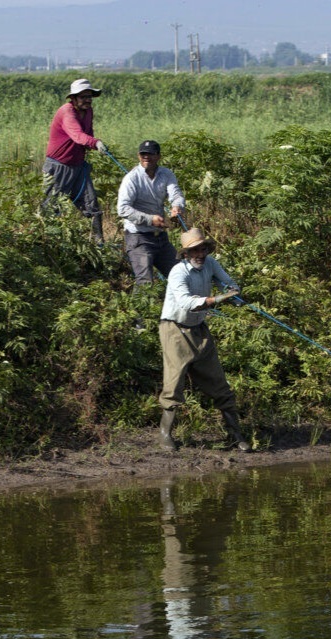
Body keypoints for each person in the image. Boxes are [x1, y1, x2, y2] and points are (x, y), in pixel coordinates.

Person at [158, 228, 251, 453]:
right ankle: (165, 436)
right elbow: (186, 302)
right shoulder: (178, 272)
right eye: (194, 250)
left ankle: (235, 435)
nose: (200, 254)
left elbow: (228, 283)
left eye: (203, 249)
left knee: (219, 382)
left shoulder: (211, 264)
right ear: (186, 253)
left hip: (199, 328)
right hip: (174, 329)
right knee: (174, 382)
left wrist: (233, 294)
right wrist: (215, 299)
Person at [116, 140, 186, 297]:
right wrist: (150, 219)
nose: (146, 157)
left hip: (160, 238)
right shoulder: (132, 178)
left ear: (158, 156)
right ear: (138, 156)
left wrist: (177, 207)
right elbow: (123, 209)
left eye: (150, 154)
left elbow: (176, 195)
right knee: (145, 283)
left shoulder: (166, 174)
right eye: (143, 154)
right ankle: (139, 320)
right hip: (139, 238)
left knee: (180, 274)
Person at [42, 78, 107, 242]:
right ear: (74, 98)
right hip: (58, 167)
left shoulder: (88, 111)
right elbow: (78, 135)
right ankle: (50, 243)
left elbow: (88, 132)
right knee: (51, 208)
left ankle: (99, 243)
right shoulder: (67, 112)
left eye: (89, 96)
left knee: (91, 206)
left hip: (78, 166)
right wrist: (95, 143)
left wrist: (91, 143)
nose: (87, 100)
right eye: (83, 96)